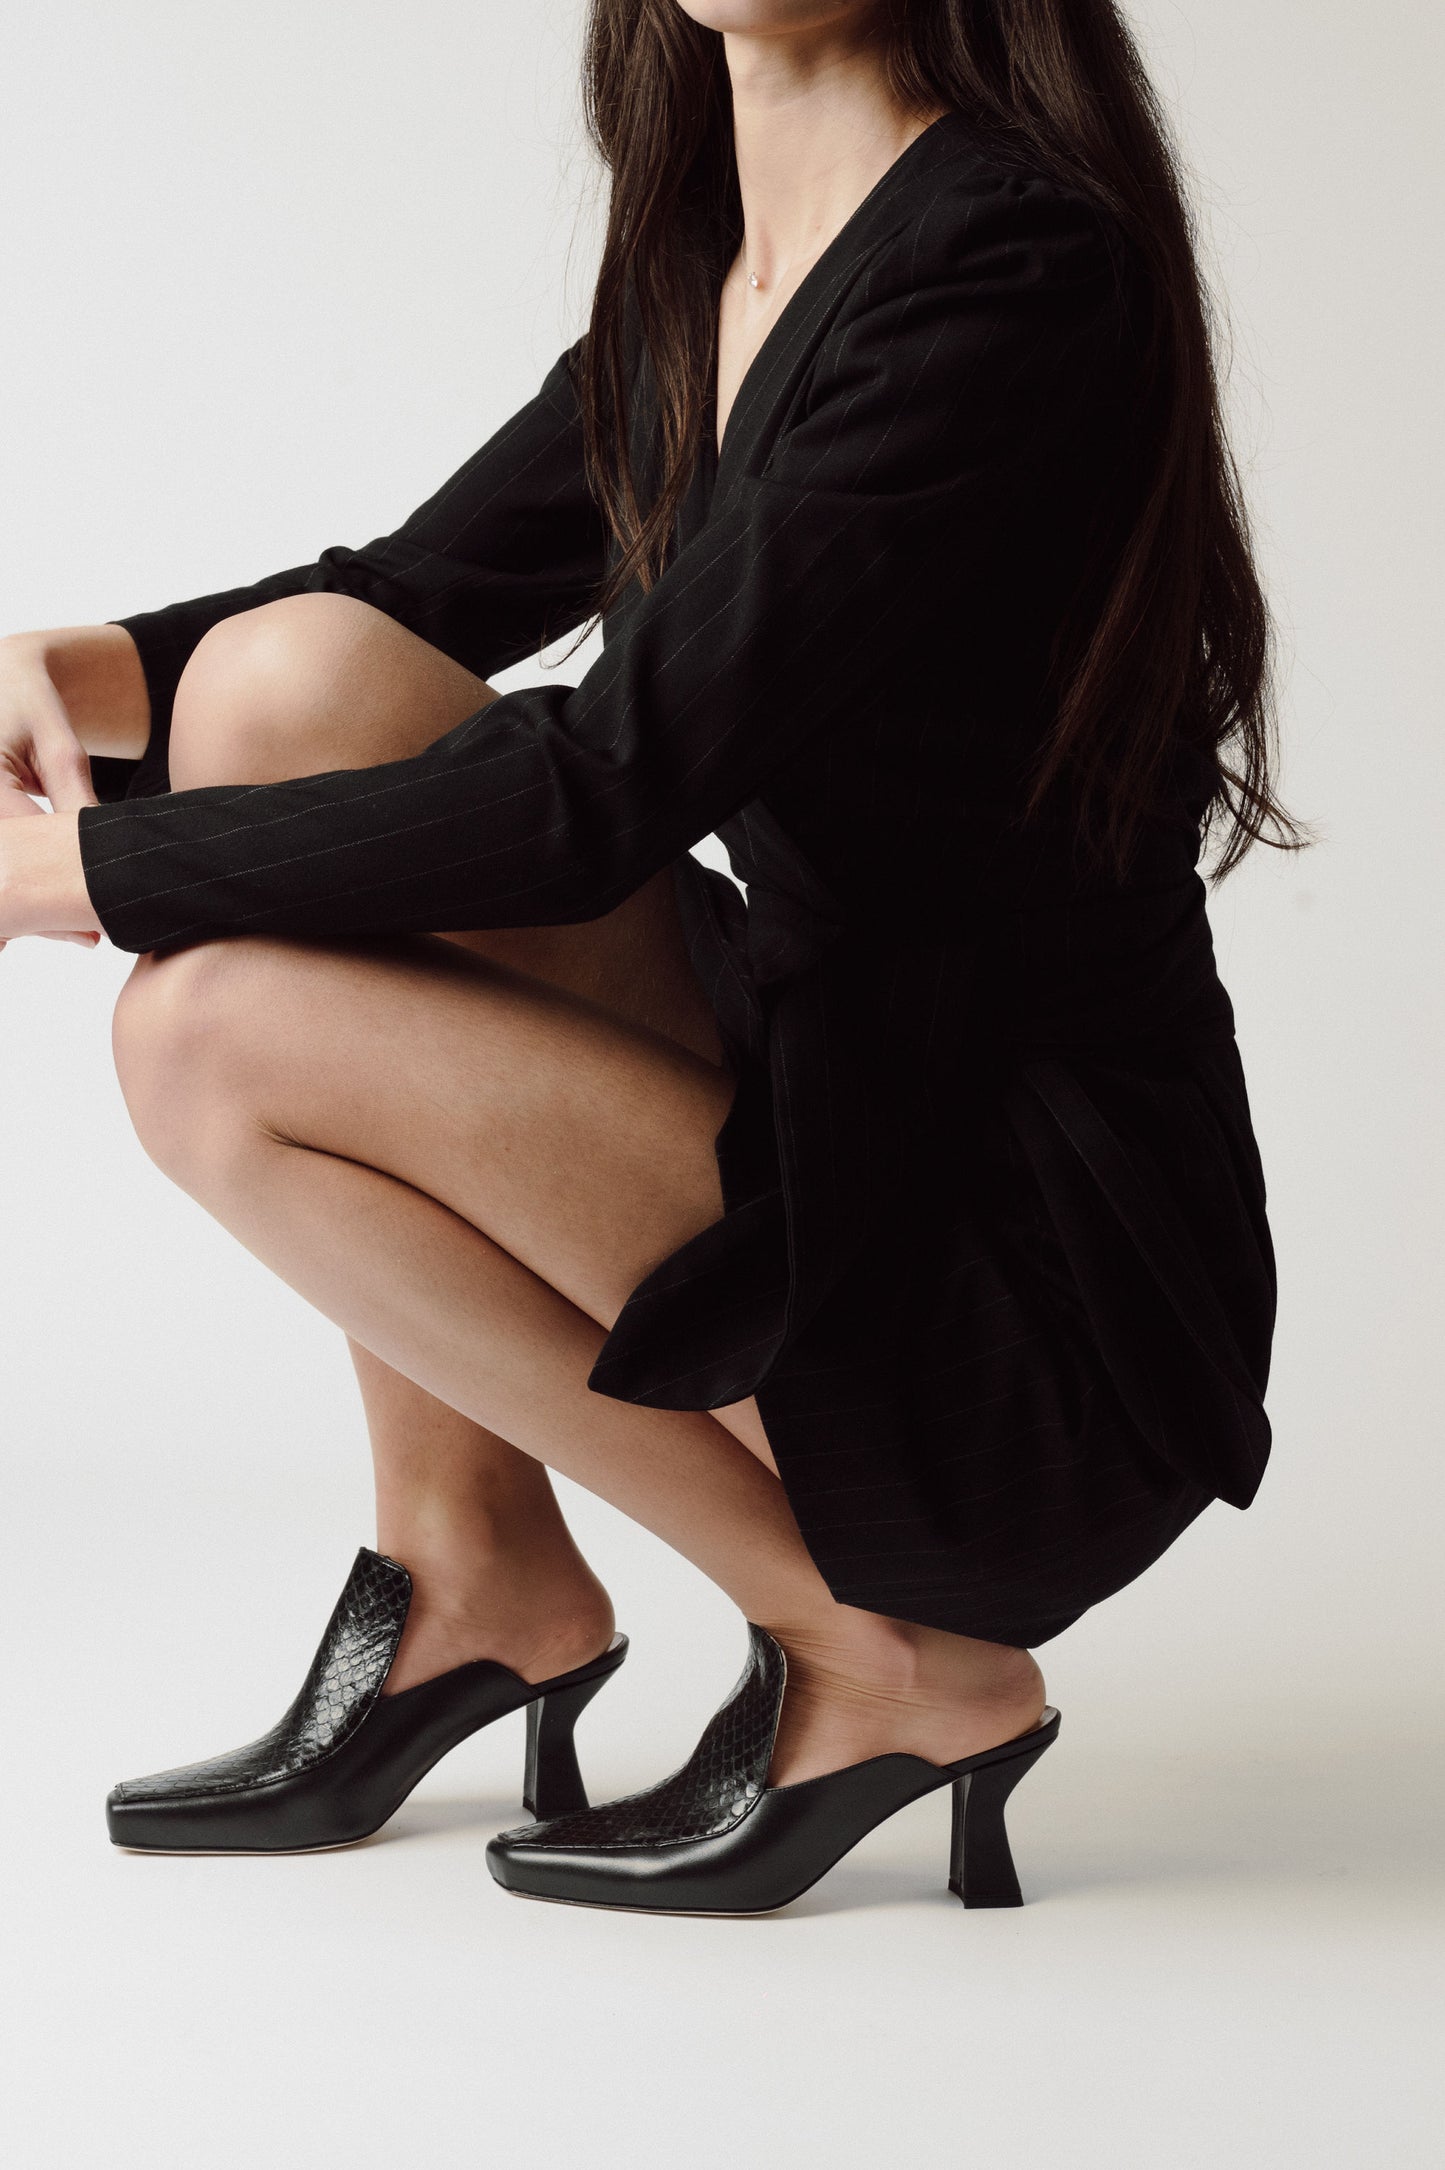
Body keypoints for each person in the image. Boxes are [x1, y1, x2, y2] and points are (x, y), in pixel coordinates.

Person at [0, 0, 1302, 1914]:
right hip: (824, 1069)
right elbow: (413, 600)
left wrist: (68, 875)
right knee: (296, 683)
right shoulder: (708, 257)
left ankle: (887, 1657)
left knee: (201, 1037)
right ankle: (472, 1574)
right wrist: (60, 671)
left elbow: (609, 787)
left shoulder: (1013, 269)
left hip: (1019, 1272)